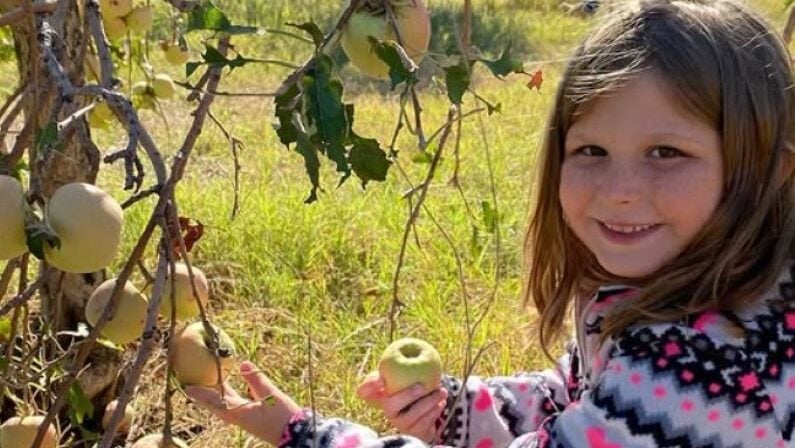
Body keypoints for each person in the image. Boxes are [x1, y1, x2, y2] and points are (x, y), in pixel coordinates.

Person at [186, 0, 795, 446]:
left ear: (767, 169)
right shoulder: (698, 290)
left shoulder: (702, 369)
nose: (619, 191)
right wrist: (456, 408)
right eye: (591, 152)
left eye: (667, 153)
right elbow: (575, 395)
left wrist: (303, 434)